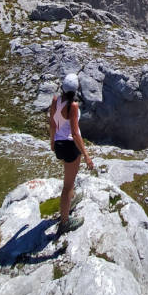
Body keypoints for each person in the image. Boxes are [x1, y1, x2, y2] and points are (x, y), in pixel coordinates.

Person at [49, 72, 94, 234]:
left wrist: (52, 142)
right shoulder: (73, 106)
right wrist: (87, 156)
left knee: (70, 179)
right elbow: (75, 133)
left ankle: (69, 202)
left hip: (60, 145)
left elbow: (53, 123)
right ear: (76, 90)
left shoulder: (56, 100)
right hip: (70, 147)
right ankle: (65, 222)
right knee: (67, 186)